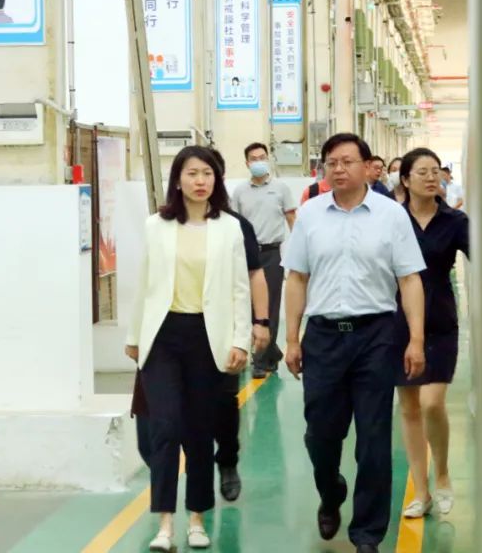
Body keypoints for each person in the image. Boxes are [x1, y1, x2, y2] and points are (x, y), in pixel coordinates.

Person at [283, 133, 427, 553]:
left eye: (347, 161)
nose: (339, 169)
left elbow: (409, 279)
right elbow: (296, 278)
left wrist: (415, 339)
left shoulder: (391, 215)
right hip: (323, 338)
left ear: (367, 167)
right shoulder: (310, 214)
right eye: (331, 162)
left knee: (374, 440)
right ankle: (331, 492)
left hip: (376, 337)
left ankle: (367, 535)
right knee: (320, 436)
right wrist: (291, 338)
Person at [126, 146, 252, 551]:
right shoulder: (156, 226)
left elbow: (239, 289)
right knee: (164, 428)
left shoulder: (229, 228)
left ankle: (197, 518)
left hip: (207, 337)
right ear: (178, 180)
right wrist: (134, 337)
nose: (200, 181)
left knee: (199, 431)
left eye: (207, 174)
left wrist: (241, 340)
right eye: (192, 173)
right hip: (163, 336)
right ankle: (165, 524)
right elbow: (144, 283)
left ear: (216, 180)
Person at [395, 148, 469, 520]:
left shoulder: (455, 221)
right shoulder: (392, 219)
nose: (430, 177)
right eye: (422, 171)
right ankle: (421, 490)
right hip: (397, 321)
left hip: (440, 321)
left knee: (432, 403)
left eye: (435, 171)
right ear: (405, 179)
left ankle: (442, 474)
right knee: (409, 407)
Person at [231, 142, 297, 378]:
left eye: (262, 157)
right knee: (250, 305)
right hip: (247, 254)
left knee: (270, 307)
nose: (258, 162)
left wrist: (298, 253)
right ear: (247, 163)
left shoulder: (281, 188)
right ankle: (270, 352)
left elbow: (292, 219)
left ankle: (260, 360)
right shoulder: (240, 192)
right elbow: (233, 224)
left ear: (268, 159)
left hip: (271, 253)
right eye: (254, 158)